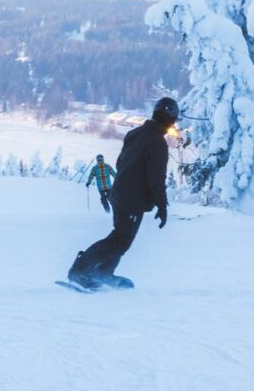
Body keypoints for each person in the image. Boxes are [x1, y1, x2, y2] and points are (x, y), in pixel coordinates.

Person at [67, 97, 178, 290]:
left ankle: (103, 272)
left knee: (120, 237)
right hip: (131, 200)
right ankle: (80, 270)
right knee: (120, 240)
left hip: (119, 193)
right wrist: (162, 205)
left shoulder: (135, 133)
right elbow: (156, 179)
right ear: (172, 120)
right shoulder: (157, 143)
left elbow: (121, 163)